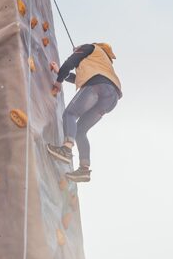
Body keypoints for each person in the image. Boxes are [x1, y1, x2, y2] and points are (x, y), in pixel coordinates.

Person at [47, 42, 122, 182]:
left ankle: (66, 149)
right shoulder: (102, 62)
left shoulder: (89, 47)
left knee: (70, 114)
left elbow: (70, 62)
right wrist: (60, 72)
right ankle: (84, 169)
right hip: (111, 97)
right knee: (81, 131)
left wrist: (58, 82)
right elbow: (80, 79)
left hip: (97, 87)